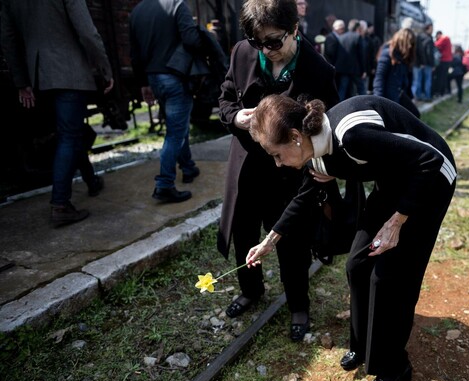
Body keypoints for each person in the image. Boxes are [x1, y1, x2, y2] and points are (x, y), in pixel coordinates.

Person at [246, 93, 456, 381]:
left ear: (294, 137)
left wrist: (396, 222)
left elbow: (429, 159)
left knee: (389, 277)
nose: (277, 164)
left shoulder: (351, 136)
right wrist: (270, 240)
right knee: (357, 266)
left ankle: (395, 366)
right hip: (394, 179)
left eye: (276, 155)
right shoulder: (313, 146)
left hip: (429, 180)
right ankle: (362, 346)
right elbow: (306, 194)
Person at [217, 0, 339, 342]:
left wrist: (325, 168)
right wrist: (236, 117)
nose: (266, 50)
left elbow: (329, 127)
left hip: (290, 174)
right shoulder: (242, 53)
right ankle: (250, 290)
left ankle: (299, 305)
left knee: (292, 242)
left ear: (295, 30)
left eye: (274, 41)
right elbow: (225, 98)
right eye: (258, 42)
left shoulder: (318, 70)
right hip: (246, 168)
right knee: (244, 233)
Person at [1, 0, 114, 227]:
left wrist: (22, 81)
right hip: (68, 71)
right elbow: (87, 32)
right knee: (69, 135)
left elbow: (8, 39)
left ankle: (91, 181)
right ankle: (61, 205)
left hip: (38, 76)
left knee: (68, 132)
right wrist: (105, 67)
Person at [129, 0, 203, 204]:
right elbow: (191, 39)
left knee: (178, 125)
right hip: (175, 75)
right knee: (175, 132)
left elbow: (134, 54)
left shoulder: (137, 11)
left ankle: (188, 167)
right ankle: (164, 185)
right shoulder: (177, 5)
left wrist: (143, 83)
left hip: (154, 78)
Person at [373, 28, 417, 108]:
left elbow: (407, 80)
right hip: (389, 98)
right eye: (409, 43)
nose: (410, 46)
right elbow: (380, 77)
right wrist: (378, 101)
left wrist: (410, 97)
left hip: (399, 98)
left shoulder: (405, 57)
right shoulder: (387, 54)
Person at [337, 19, 367, 100]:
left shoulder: (341, 37)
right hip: (355, 69)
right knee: (361, 89)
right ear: (357, 28)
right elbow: (361, 54)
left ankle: (338, 107)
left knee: (342, 90)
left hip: (343, 69)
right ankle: (366, 104)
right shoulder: (358, 37)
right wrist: (363, 70)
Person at [412, 23, 435, 102]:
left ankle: (417, 96)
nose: (433, 30)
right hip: (427, 63)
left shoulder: (419, 37)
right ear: (428, 28)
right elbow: (429, 53)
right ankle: (427, 96)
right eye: (432, 29)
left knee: (418, 80)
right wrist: (432, 64)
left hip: (419, 62)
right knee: (427, 80)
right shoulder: (429, 38)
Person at [433, 30, 452, 96]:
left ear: (439, 35)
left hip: (444, 61)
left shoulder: (444, 38)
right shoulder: (446, 39)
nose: (437, 38)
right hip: (447, 61)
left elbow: (435, 44)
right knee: (444, 77)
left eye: (437, 37)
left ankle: (439, 92)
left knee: (440, 77)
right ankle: (443, 92)